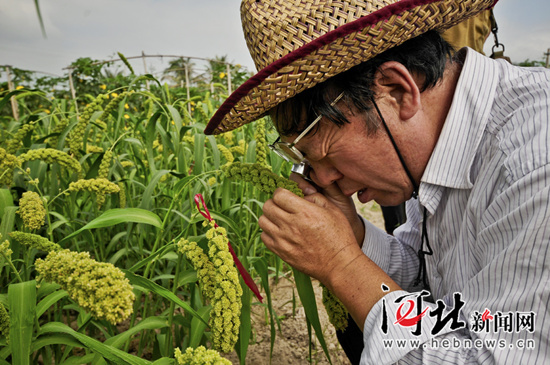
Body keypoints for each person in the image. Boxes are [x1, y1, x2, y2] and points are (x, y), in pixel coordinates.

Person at [205, 0, 550, 364]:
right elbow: (427, 277)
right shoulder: (433, 146)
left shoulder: (533, 165)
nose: (322, 179)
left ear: (397, 90)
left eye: (321, 151)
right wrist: (352, 236)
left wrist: (342, 265)